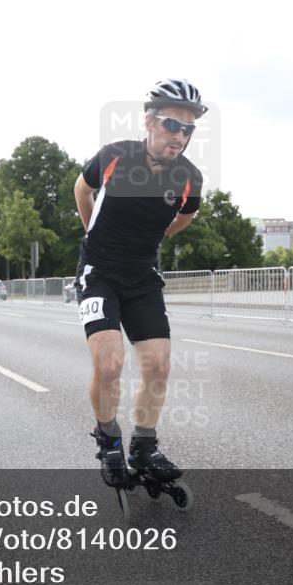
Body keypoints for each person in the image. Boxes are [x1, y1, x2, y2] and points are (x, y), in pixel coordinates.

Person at [73, 78, 206, 488]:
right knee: (109, 364)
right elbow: (82, 189)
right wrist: (91, 235)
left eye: (188, 129)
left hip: (142, 276)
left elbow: (187, 216)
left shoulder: (189, 177)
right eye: (171, 124)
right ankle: (108, 438)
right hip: (99, 272)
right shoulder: (115, 156)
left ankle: (143, 446)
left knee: (158, 366)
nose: (179, 136)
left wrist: (159, 236)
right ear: (148, 121)